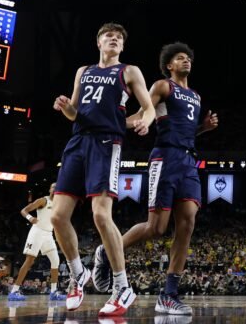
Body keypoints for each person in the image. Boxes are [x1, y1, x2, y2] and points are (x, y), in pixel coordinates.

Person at [95, 41, 218, 316]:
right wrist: (118, 122)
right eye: (180, 58)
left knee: (187, 222)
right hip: (165, 158)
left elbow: (183, 131)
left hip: (188, 159)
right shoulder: (163, 86)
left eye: (188, 58)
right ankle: (107, 251)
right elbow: (143, 113)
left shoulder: (196, 96)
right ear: (169, 65)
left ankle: (169, 294)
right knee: (157, 228)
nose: (186, 61)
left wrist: (203, 129)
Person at [51, 22, 155, 316]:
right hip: (77, 142)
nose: (114, 39)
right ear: (98, 43)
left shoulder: (129, 71)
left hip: (107, 143)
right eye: (109, 35)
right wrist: (65, 107)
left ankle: (122, 286)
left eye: (119, 37)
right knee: (58, 215)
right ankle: (77, 273)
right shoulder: (83, 72)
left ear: (122, 47)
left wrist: (145, 119)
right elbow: (75, 111)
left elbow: (147, 107)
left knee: (100, 213)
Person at [8, 183, 66, 301]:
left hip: (49, 234)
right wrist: (30, 218)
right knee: (29, 261)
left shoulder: (59, 204)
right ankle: (14, 291)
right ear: (50, 189)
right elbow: (24, 210)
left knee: (56, 260)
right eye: (53, 186)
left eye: (57, 187)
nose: (55, 188)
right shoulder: (43, 201)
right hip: (37, 232)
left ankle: (53, 292)